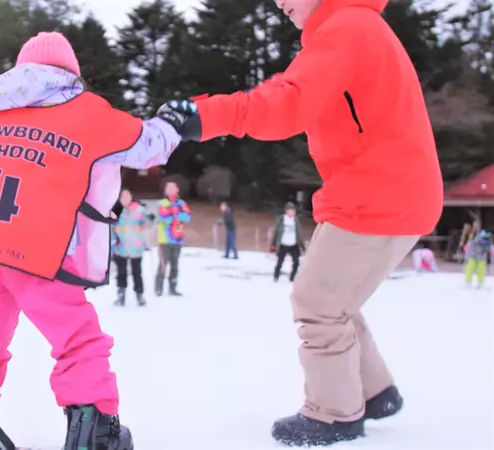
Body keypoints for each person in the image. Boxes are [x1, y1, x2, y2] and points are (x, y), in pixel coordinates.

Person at [160, 0, 444, 442]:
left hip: (378, 193)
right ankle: (375, 391)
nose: (279, 3)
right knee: (335, 300)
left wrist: (206, 115)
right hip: (394, 190)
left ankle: (334, 412)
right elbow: (293, 90)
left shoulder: (347, 27)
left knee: (317, 302)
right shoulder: (351, 26)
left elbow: (288, 102)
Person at [0, 31, 189, 450]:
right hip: (39, 250)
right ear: (69, 73)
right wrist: (173, 122)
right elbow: (148, 146)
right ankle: (93, 436)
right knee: (77, 340)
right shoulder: (86, 111)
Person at [112, 189, 150, 306]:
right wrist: (113, 239)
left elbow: (150, 221)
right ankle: (121, 295)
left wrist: (147, 221)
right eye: (122, 196)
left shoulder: (139, 209)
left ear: (131, 197)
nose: (125, 198)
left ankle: (139, 295)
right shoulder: (117, 210)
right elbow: (111, 225)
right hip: (120, 247)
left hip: (135, 248)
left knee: (137, 272)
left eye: (127, 196)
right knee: (121, 273)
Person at [154, 181, 190, 296]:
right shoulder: (162, 203)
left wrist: (174, 213)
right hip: (165, 240)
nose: (170, 189)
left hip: (178, 239)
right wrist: (177, 214)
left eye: (172, 187)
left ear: (177, 189)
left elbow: (187, 217)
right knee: (163, 265)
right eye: (167, 187)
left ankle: (173, 287)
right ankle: (158, 288)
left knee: (175, 265)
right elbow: (165, 218)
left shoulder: (182, 203)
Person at [271, 202, 304, 282]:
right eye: (290, 210)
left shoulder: (295, 220)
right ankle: (276, 276)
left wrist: (302, 245)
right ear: (286, 211)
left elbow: (298, 233)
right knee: (280, 262)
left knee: (296, 262)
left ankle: (292, 277)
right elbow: (276, 232)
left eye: (293, 210)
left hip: (293, 244)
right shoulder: (282, 219)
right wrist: (273, 244)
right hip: (283, 244)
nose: (292, 212)